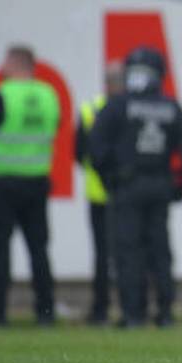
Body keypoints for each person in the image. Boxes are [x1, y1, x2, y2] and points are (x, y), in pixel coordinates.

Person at [89, 47, 182, 328]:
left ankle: (133, 313)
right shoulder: (171, 107)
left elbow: (96, 148)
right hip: (159, 184)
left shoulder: (116, 105)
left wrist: (111, 179)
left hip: (126, 186)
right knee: (160, 250)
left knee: (128, 251)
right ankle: (165, 312)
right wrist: (179, 186)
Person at [0, 45, 61, 326]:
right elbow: (54, 129)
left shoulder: (1, 96)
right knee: (39, 249)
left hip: (2, 181)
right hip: (37, 181)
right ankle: (45, 312)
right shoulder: (49, 96)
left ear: (14, 63)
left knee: (0, 249)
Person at [74, 61, 124, 326]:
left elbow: (80, 154)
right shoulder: (130, 109)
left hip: (99, 193)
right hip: (124, 194)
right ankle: (132, 308)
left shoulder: (91, 110)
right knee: (129, 254)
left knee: (103, 255)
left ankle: (101, 309)